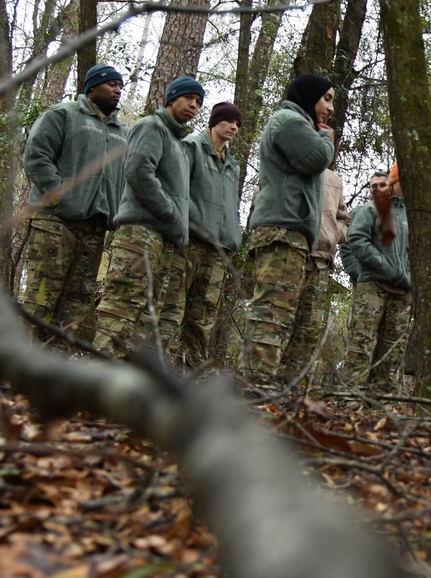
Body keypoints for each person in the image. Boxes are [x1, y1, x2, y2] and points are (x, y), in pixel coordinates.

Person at [93, 75, 204, 359]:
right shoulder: (151, 127)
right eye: (189, 98)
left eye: (199, 102)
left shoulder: (179, 143)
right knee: (122, 306)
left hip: (162, 239)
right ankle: (96, 381)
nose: (194, 105)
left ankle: (124, 389)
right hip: (140, 233)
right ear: (172, 98)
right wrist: (169, 213)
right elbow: (139, 172)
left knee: (146, 317)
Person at [19, 64, 128, 350]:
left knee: (76, 303)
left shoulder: (122, 133)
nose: (118, 90)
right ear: (92, 86)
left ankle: (54, 375)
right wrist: (59, 195)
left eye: (121, 85)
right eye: (112, 84)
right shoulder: (64, 115)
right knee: (41, 298)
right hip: (54, 224)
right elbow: (36, 156)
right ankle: (17, 370)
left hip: (93, 230)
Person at [240, 73, 337, 379]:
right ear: (309, 97)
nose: (331, 109)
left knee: (278, 316)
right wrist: (325, 136)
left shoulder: (298, 124)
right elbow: (318, 158)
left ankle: (262, 386)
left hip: (291, 232)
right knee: (271, 315)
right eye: (327, 99)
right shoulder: (289, 121)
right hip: (281, 230)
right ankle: (255, 387)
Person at [159, 102, 243, 368]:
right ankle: (155, 368)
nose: (234, 127)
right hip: (189, 241)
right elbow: (178, 190)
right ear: (214, 122)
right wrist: (189, 222)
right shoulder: (191, 147)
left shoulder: (233, 165)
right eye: (229, 121)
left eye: (238, 124)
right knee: (171, 308)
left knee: (202, 317)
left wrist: (233, 235)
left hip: (218, 249)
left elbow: (230, 205)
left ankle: (190, 375)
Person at [340, 162, 411, 390]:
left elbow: (421, 252)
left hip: (403, 291)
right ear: (395, 181)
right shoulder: (372, 208)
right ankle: (349, 397)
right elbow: (356, 240)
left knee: (393, 349)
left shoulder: (415, 216)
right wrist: (385, 267)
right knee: (362, 342)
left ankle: (383, 401)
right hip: (373, 285)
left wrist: (410, 278)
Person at [282, 167, 351, 378]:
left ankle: (289, 383)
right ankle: (260, 379)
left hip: (320, 259)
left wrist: (331, 234)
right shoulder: (290, 162)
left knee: (309, 326)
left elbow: (344, 219)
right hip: (287, 251)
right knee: (276, 317)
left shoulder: (334, 179)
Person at [340, 171, 388, 286]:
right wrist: (358, 273)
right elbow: (347, 246)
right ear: (370, 191)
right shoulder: (358, 213)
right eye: (374, 186)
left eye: (382, 185)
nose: (378, 189)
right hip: (367, 284)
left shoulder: (401, 214)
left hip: (398, 284)